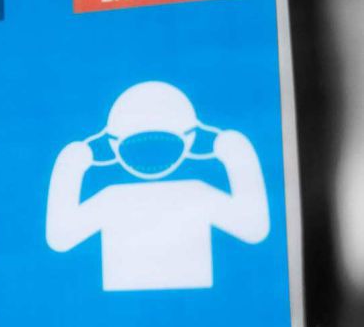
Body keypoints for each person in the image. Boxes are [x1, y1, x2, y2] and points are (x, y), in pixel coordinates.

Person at [45, 81, 269, 291]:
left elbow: (254, 229)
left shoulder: (192, 194)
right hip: (139, 311)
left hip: (172, 308)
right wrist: (235, 151)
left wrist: (72, 164)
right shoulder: (194, 194)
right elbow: (60, 239)